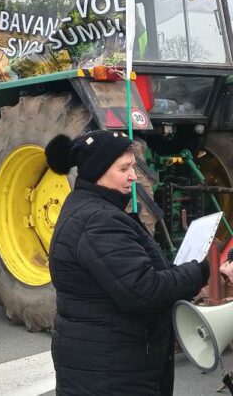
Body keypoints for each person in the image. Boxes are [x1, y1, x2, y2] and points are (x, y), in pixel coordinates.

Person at [45, 130, 210, 396]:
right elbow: (144, 290)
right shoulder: (98, 221)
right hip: (112, 373)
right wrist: (199, 272)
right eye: (124, 168)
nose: (133, 176)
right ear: (98, 170)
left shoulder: (95, 210)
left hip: (111, 365)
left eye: (132, 166)